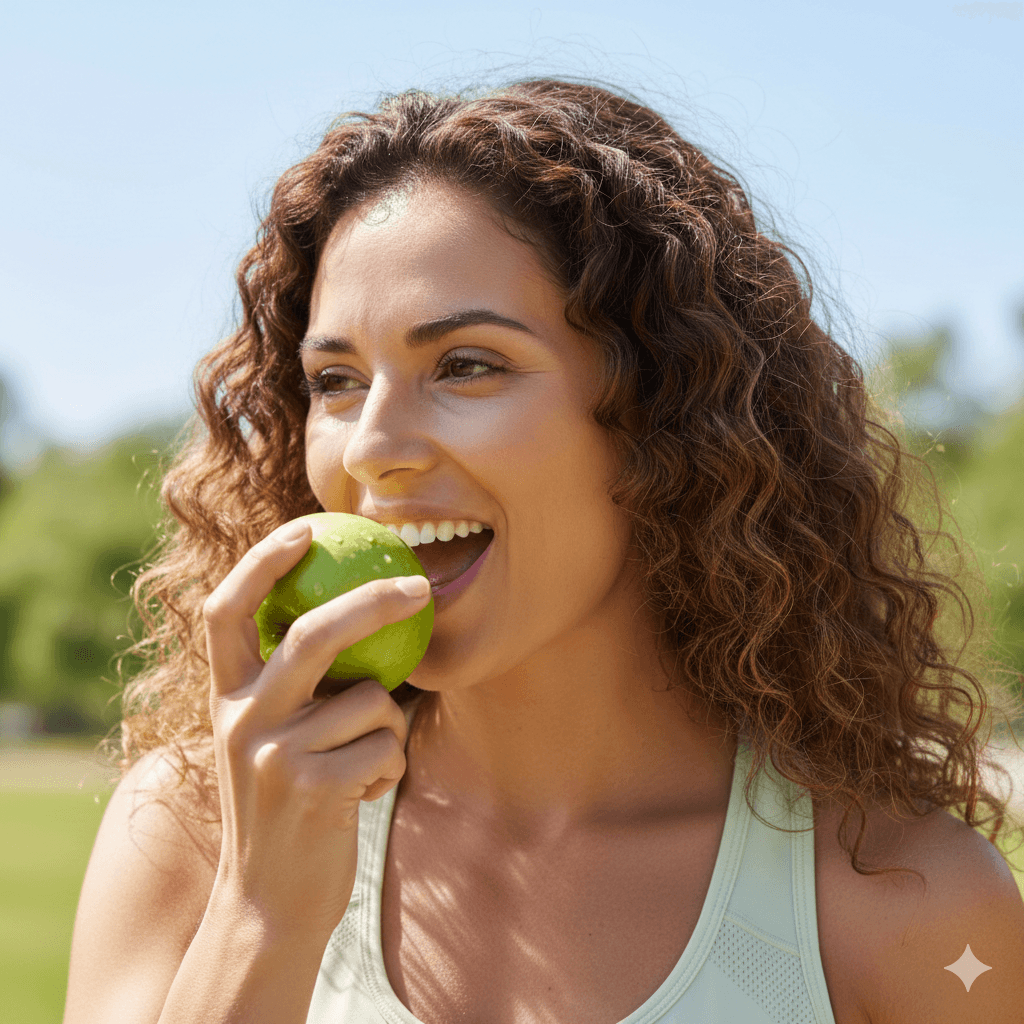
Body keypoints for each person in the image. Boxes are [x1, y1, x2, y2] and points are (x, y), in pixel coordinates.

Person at [63, 78, 1024, 1024]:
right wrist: (259, 919)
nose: (372, 450)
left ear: (663, 414)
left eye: (466, 365)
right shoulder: (190, 839)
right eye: (336, 379)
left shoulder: (910, 908)